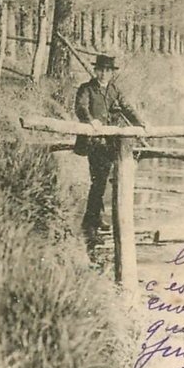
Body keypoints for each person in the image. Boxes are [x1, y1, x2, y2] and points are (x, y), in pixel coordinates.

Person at [74, 54, 144, 248]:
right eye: (101, 70)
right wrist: (91, 120)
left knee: (107, 178)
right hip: (93, 141)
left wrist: (141, 123)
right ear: (95, 71)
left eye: (108, 71)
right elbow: (80, 108)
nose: (104, 74)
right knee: (99, 180)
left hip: (110, 141)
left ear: (112, 73)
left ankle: (97, 217)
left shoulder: (114, 90)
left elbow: (127, 107)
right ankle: (90, 223)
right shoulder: (86, 89)